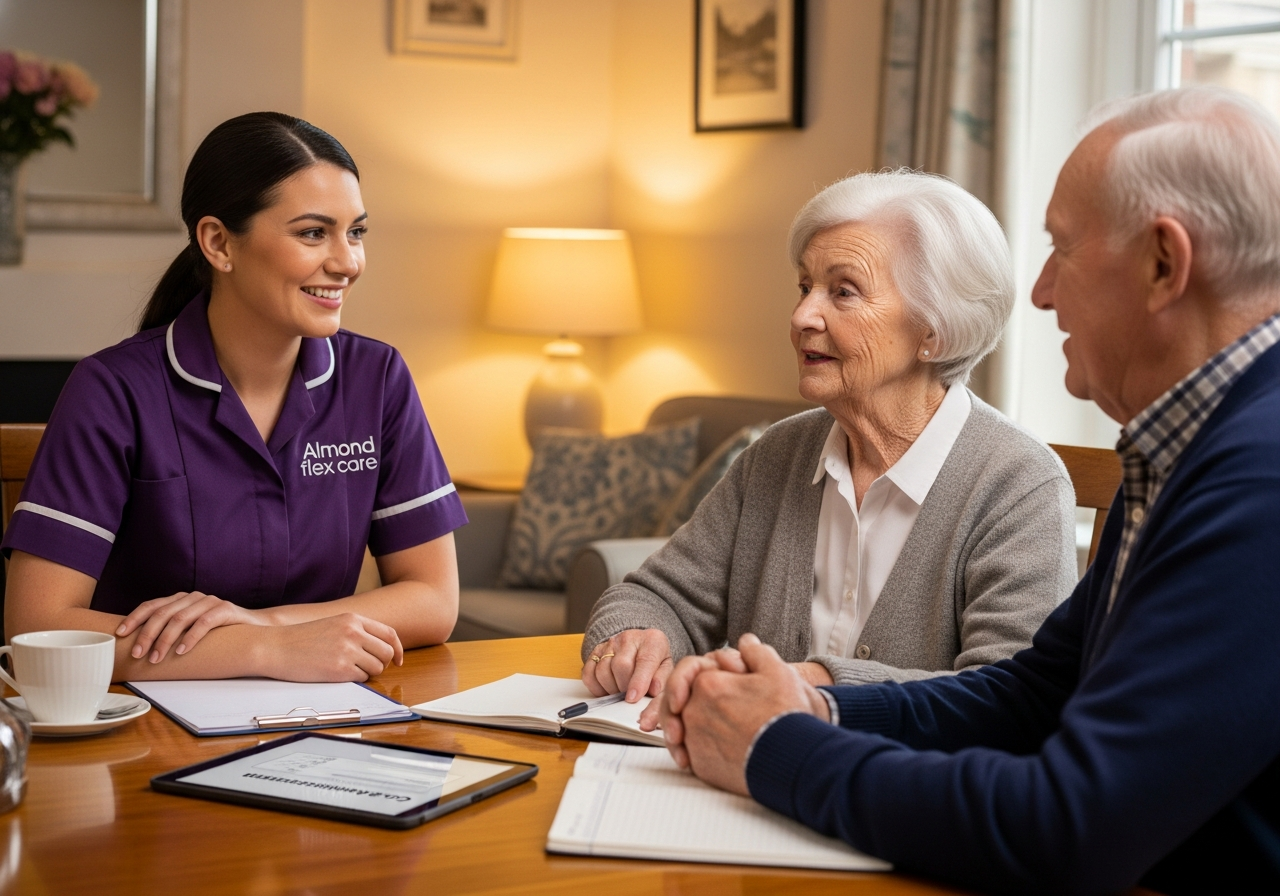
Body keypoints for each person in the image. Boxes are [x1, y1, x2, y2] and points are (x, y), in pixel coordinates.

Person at [657, 86, 1280, 895]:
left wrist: (774, 747)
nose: (1043, 290)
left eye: (1063, 248)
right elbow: (1035, 693)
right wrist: (824, 711)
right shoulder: (1181, 448)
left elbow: (1066, 830)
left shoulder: (1258, 479)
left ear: (1165, 263)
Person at [1, 112, 466, 683]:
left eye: (357, 231)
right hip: (143, 731)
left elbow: (433, 600)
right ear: (219, 242)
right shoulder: (112, 390)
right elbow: (34, 630)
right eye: (313, 233)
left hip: (323, 718)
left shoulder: (378, 377)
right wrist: (262, 650)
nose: (348, 262)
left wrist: (267, 624)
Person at [582, 171, 1077, 706]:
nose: (801, 317)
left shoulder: (1019, 486)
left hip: (901, 786)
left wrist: (819, 686)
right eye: (804, 287)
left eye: (843, 292)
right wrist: (635, 637)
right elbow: (656, 596)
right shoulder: (776, 455)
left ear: (933, 331)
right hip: (747, 771)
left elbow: (1010, 699)